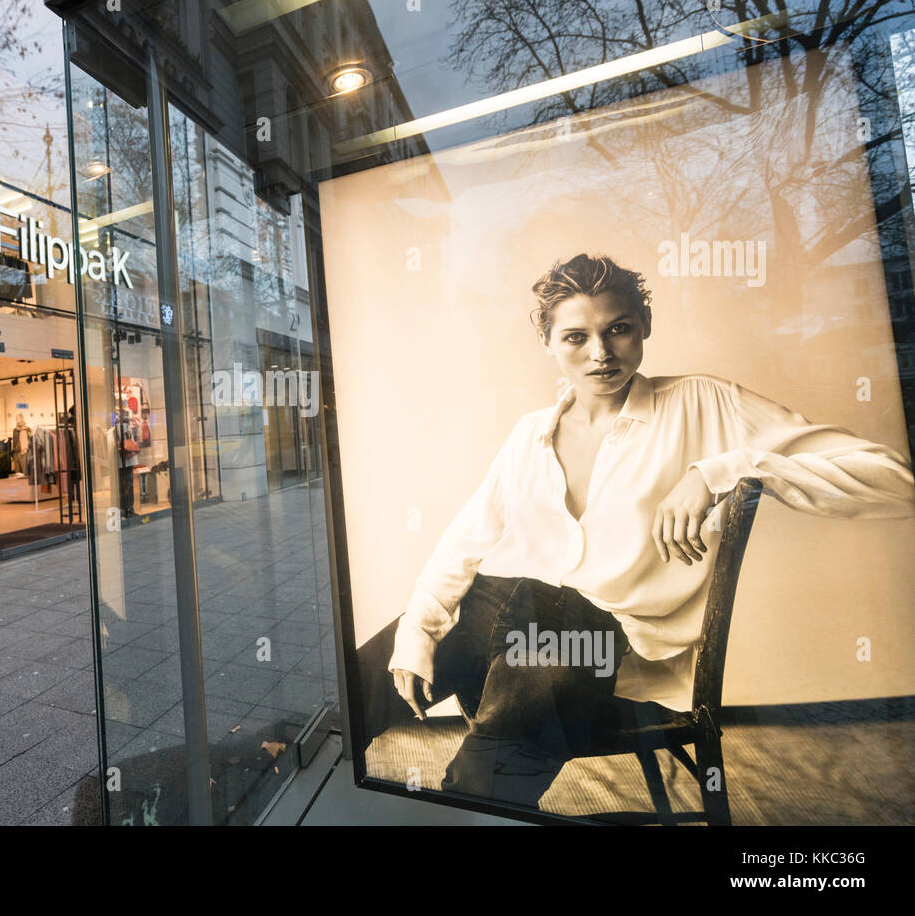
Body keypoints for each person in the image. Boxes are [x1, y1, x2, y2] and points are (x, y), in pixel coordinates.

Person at [358, 253, 915, 809]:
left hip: (608, 651)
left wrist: (722, 471)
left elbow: (893, 479)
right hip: (507, 627)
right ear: (548, 343)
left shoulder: (705, 402)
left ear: (644, 325)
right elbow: (465, 541)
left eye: (618, 329)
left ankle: (470, 806)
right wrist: (416, 634)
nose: (600, 354)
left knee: (541, 636)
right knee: (376, 674)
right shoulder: (530, 434)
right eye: (575, 337)